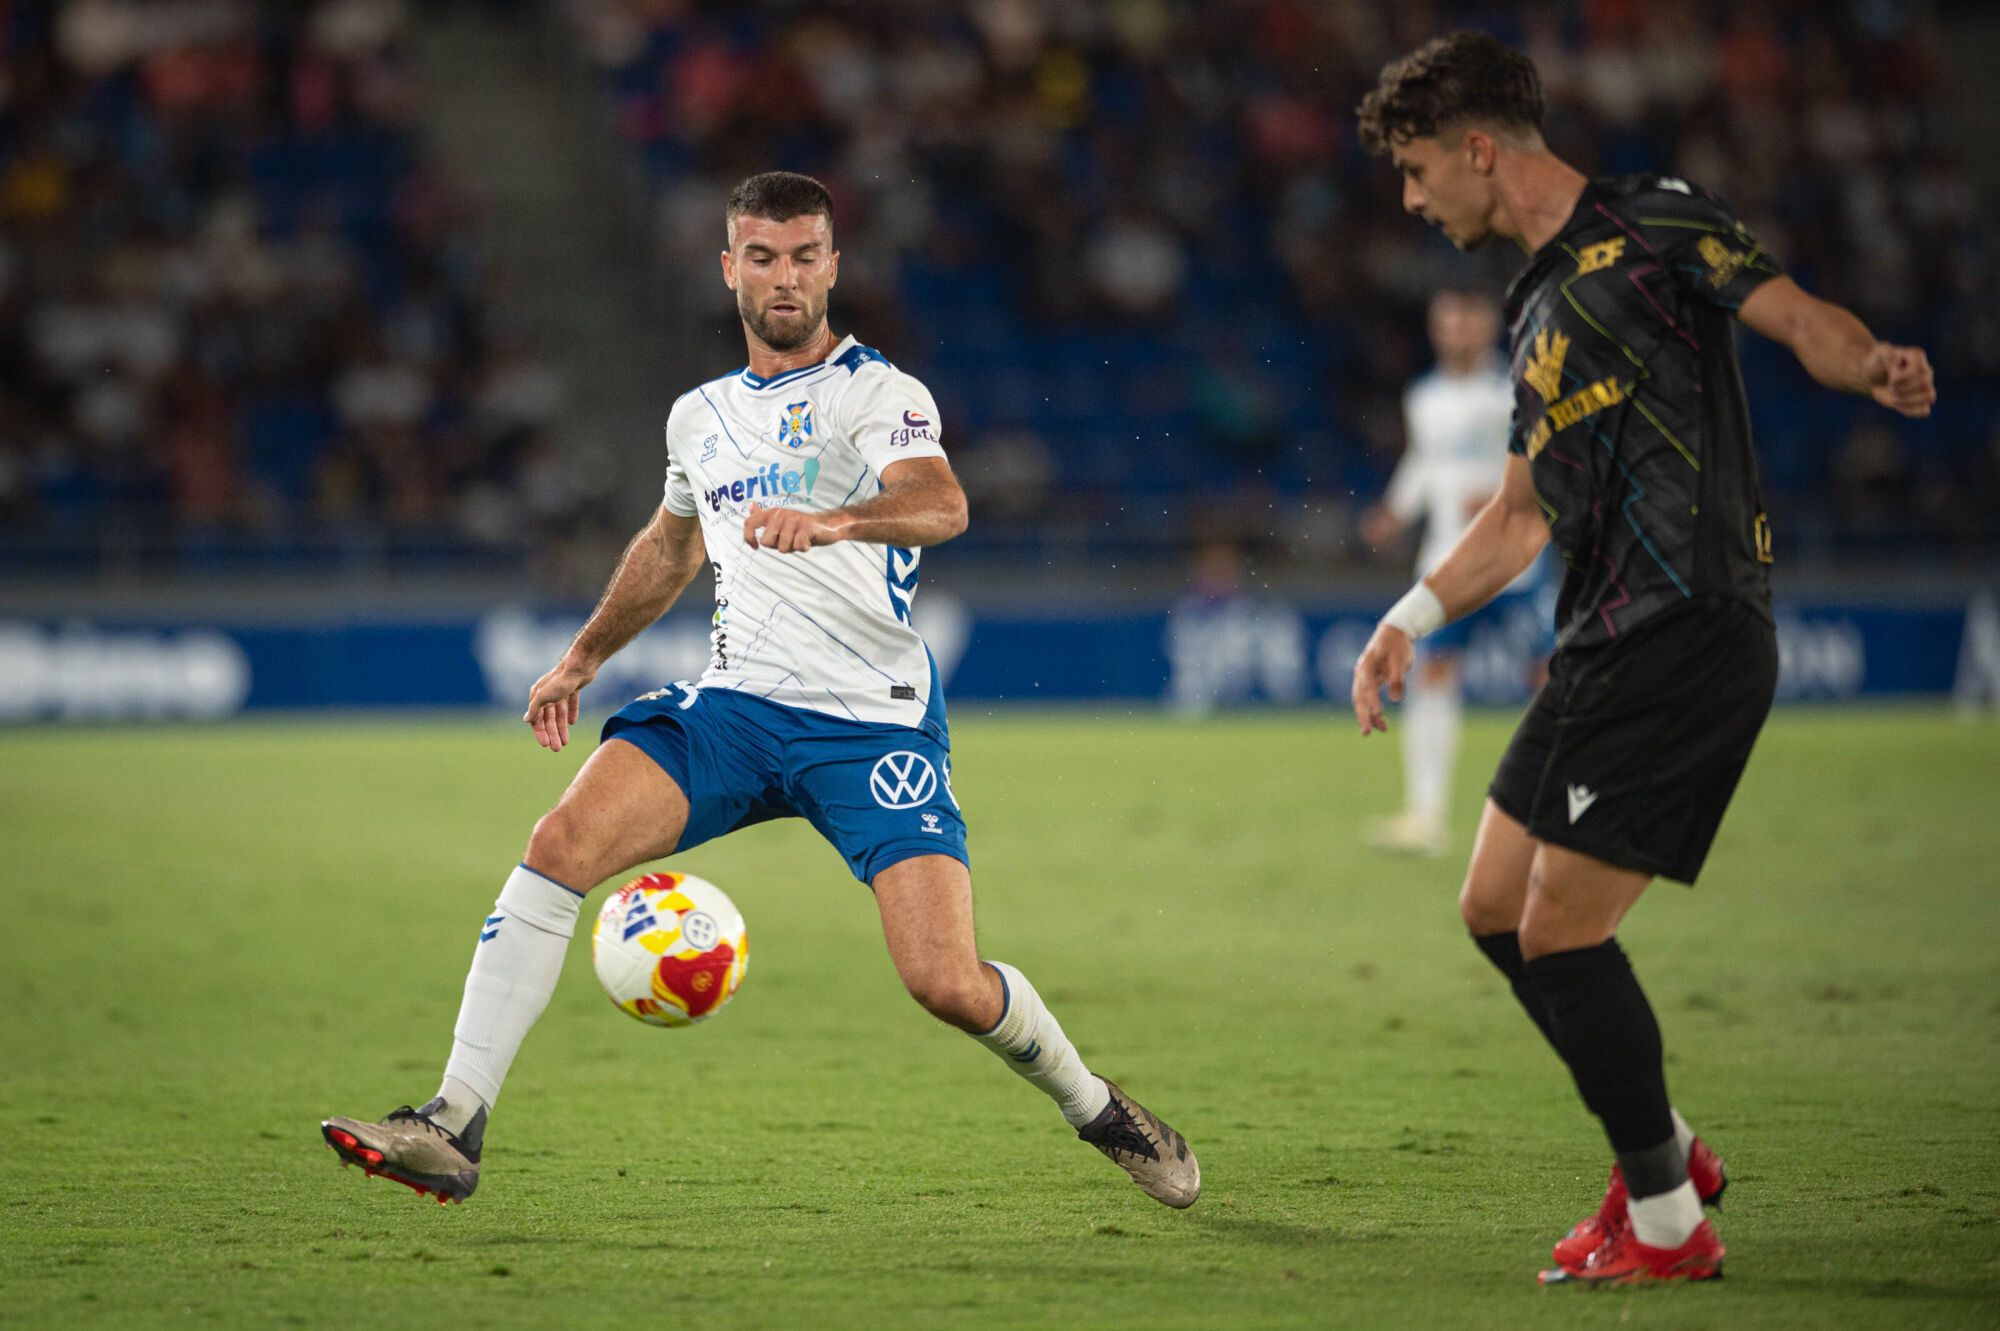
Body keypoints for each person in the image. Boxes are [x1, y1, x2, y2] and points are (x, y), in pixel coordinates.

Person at [321, 172, 1199, 1211]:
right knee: (558, 844)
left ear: (832, 264)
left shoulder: (880, 393)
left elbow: (942, 503)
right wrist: (582, 656)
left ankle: (1095, 1104)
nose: (784, 277)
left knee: (944, 981)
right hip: (735, 711)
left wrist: (834, 520)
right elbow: (670, 543)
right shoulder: (698, 417)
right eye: (762, 255)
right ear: (728, 266)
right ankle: (451, 1120)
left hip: (869, 727)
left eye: (804, 255)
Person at [1347, 32, 1934, 1286]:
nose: (1410, 199)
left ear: (1474, 150)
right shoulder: (1534, 311)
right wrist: (1404, 615)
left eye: (1412, 171)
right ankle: (1662, 1145)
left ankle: (1666, 1223)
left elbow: (1794, 317)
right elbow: (1512, 519)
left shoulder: (1656, 224)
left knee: (1560, 933)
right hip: (1597, 637)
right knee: (1493, 907)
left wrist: (1869, 362)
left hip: (1690, 621)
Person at [1360, 288, 1541, 856]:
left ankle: (1568, 805)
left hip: (1515, 560)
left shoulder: (1516, 388)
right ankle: (1426, 814)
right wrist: (1395, 509)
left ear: (1489, 324)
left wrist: (1496, 496)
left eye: (1467, 318)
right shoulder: (1425, 397)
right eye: (1447, 321)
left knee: (1551, 676)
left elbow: (1546, 455)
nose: (1457, 331)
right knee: (1431, 678)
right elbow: (1425, 463)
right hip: (1445, 561)